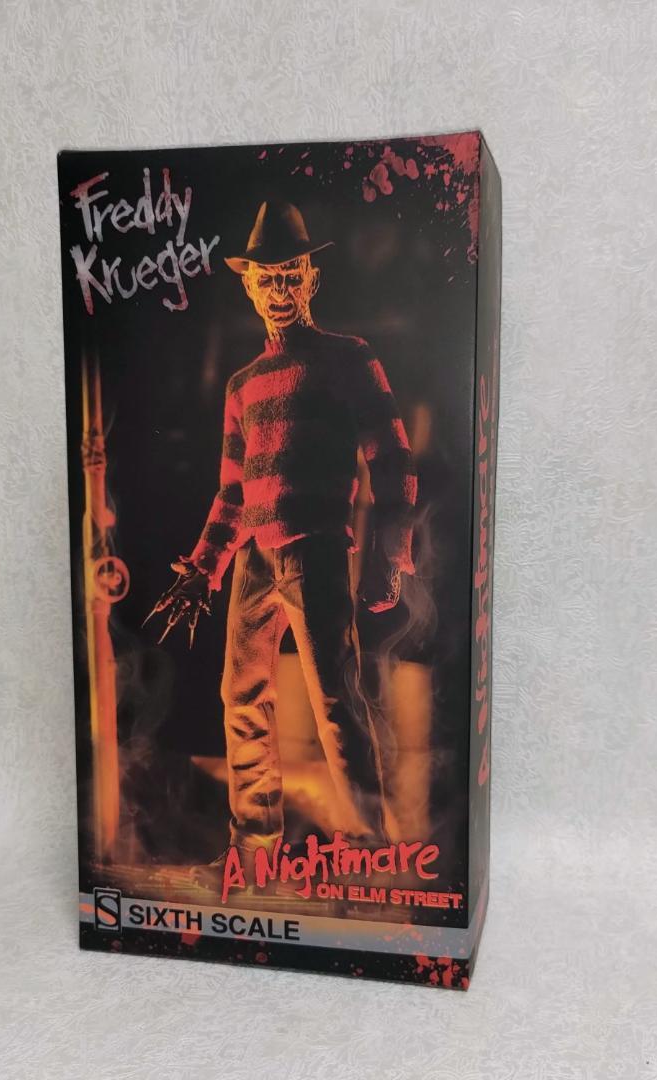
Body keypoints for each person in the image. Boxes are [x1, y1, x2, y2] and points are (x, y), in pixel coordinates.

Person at [149, 200, 417, 857]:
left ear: (311, 279)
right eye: (265, 277)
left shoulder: (348, 358)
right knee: (241, 699)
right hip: (254, 562)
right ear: (248, 285)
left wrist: (389, 551)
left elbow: (392, 455)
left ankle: (368, 846)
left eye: (290, 274)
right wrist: (204, 567)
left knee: (335, 703)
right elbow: (233, 492)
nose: (278, 288)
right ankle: (255, 844)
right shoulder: (243, 385)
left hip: (315, 551)